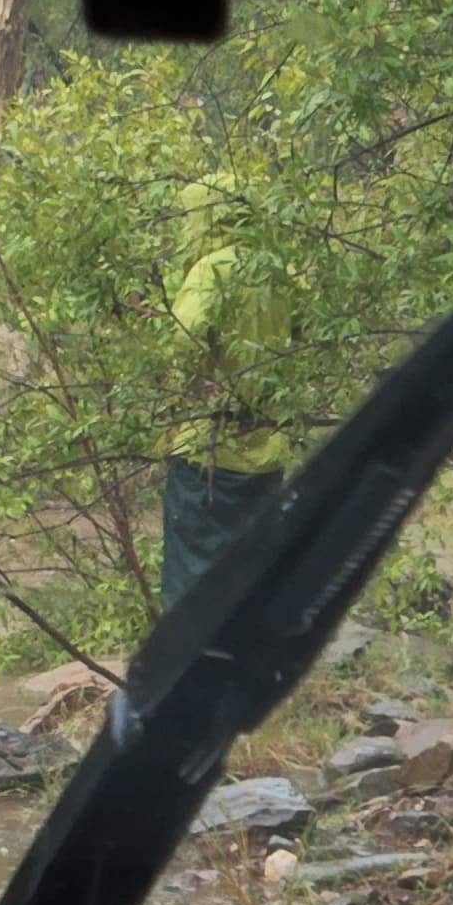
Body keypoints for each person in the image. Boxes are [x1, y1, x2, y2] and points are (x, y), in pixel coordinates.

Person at [159, 177, 293, 610]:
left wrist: (197, 380)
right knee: (254, 575)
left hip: (208, 452)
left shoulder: (211, 269)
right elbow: (309, 333)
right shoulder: (278, 268)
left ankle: (189, 670)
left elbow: (182, 336)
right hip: (268, 450)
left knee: (192, 581)